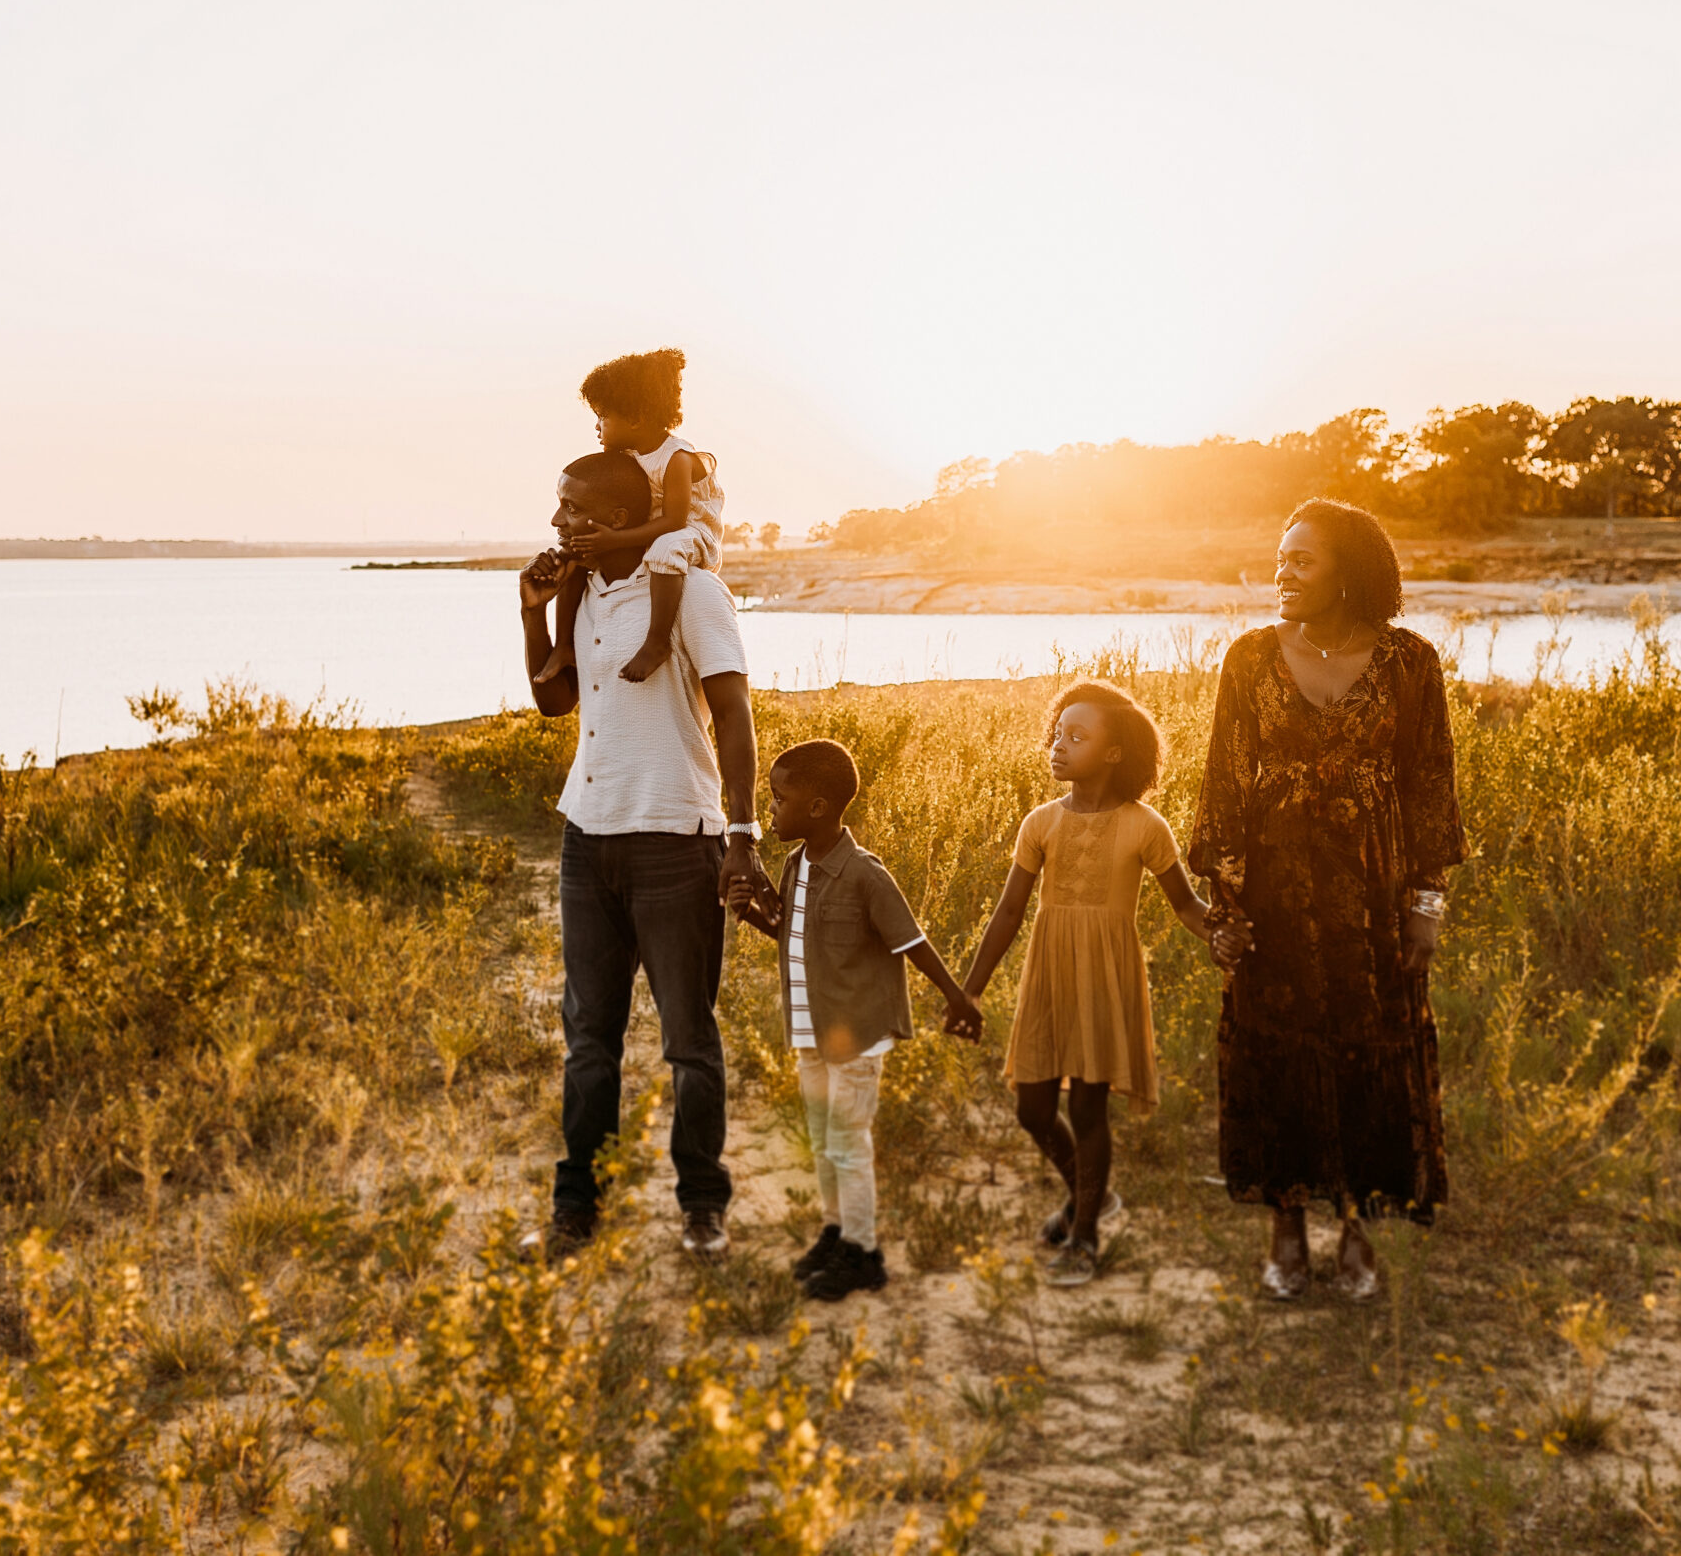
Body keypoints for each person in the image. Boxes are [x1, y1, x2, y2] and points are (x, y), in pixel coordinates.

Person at [1189, 497, 1465, 1302]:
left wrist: (1426, 905)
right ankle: (1285, 1231)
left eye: (1302, 560)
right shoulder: (1247, 660)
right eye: (1280, 558)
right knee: (1273, 1055)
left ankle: (1356, 1228)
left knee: (1372, 1056)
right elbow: (1223, 792)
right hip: (1274, 901)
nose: (1283, 573)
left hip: (1373, 901)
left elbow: (1431, 789)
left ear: (1351, 570)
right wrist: (1228, 910)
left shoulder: (1412, 663)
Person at [518, 448, 768, 1262]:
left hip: (674, 842)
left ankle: (702, 1203)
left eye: (573, 510)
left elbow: (734, 716)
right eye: (558, 508)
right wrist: (532, 614)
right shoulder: (584, 592)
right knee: (590, 1038)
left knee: (688, 1040)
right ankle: (578, 1204)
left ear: (621, 521)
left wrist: (741, 833)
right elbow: (556, 697)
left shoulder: (695, 592)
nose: (557, 522)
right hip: (586, 838)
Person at [960, 681, 1216, 1288]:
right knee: (1032, 1106)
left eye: (1077, 737)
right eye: (1057, 733)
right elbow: (1008, 913)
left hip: (1106, 974)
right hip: (1049, 973)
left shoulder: (1145, 826)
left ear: (1114, 753)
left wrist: (1227, 934)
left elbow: (1188, 907)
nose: (1059, 746)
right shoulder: (1040, 823)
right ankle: (1089, 1195)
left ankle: (1085, 1237)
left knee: (1088, 1106)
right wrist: (967, 991)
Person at [731, 739, 985, 1301]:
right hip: (810, 1031)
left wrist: (955, 998)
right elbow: (792, 936)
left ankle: (863, 1253)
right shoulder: (795, 866)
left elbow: (912, 941)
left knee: (848, 1144)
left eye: (778, 799)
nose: (770, 809)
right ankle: (835, 1231)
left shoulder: (866, 874)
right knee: (823, 1143)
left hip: (857, 1037)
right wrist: (749, 910)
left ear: (817, 808)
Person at [535, 348, 728, 688]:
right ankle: (564, 645)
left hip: (691, 532)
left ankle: (656, 642)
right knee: (579, 553)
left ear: (636, 418)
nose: (597, 427)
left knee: (664, 551)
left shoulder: (676, 458)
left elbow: (674, 520)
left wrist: (614, 539)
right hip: (653, 527)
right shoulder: (627, 454)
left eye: (603, 417)